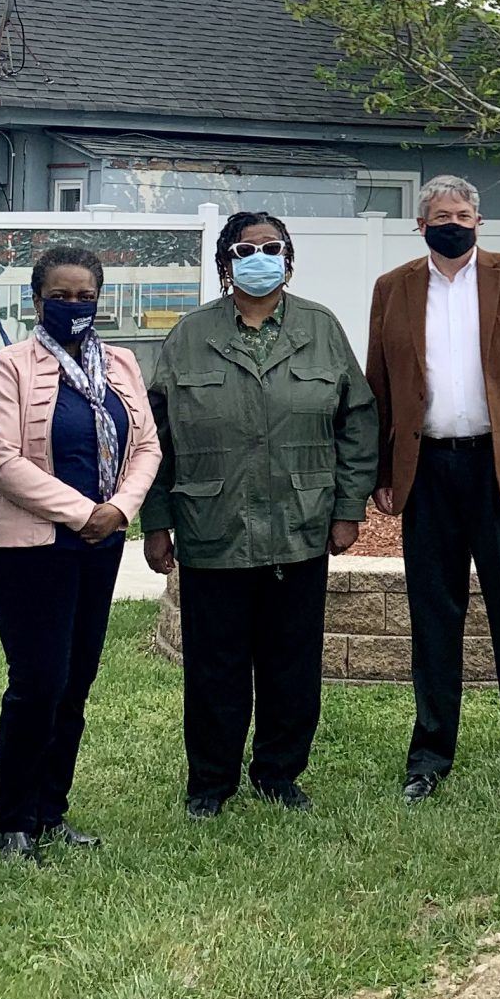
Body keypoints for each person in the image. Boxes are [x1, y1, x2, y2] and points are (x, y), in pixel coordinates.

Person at [141, 211, 376, 820]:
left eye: (272, 248)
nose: (259, 257)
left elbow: (357, 422)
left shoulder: (321, 328)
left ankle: (279, 773)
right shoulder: (189, 336)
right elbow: (153, 436)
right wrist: (157, 519)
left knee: (291, 660)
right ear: (226, 262)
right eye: (245, 250)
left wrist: (348, 507)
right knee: (214, 665)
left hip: (300, 522)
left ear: (289, 258)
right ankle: (210, 783)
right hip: (210, 525)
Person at [366, 176, 500, 802]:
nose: (452, 222)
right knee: (434, 618)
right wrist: (382, 472)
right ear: (421, 224)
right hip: (427, 471)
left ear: (479, 220)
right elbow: (379, 382)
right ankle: (429, 758)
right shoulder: (394, 289)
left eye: (462, 213)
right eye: (440, 215)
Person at [0, 246, 163, 859]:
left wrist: (119, 510)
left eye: (85, 296)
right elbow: (1, 460)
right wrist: (85, 512)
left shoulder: (124, 364)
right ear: (37, 300)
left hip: (100, 545)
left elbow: (148, 447)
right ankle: (13, 821)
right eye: (61, 296)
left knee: (77, 680)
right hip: (29, 550)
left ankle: (51, 813)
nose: (74, 306)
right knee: (39, 680)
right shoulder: (8, 367)